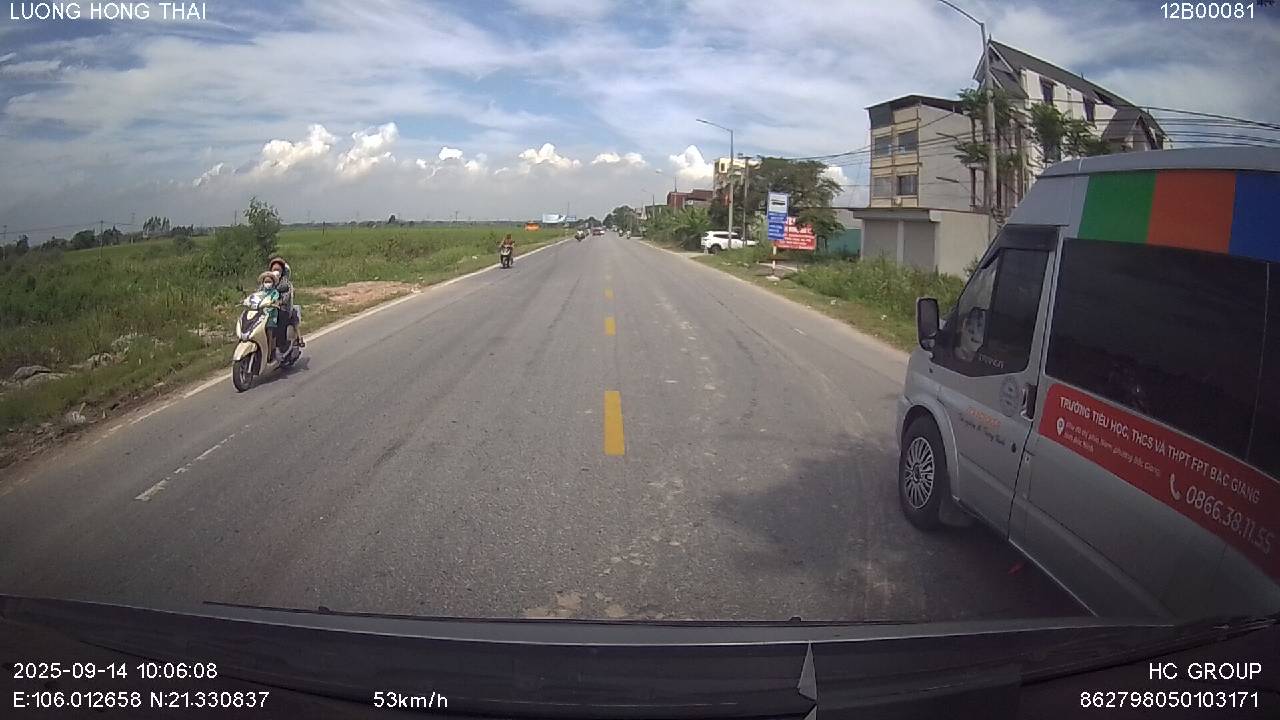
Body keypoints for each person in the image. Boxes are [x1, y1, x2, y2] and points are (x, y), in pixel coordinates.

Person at [266, 256, 304, 351]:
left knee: (280, 318)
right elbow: (260, 292)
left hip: (282, 310)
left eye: (278, 270)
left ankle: (281, 346)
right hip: (267, 309)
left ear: (282, 271)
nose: (276, 271)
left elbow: (286, 297)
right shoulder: (267, 281)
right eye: (274, 269)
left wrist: (280, 302)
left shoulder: (285, 283)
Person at [255, 271, 283, 362]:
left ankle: (269, 354)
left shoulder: (274, 292)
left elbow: (275, 300)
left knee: (269, 334)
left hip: (271, 316)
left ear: (273, 282)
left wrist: (273, 303)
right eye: (266, 282)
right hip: (261, 315)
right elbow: (255, 299)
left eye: (269, 281)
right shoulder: (261, 292)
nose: (267, 283)